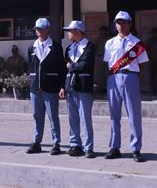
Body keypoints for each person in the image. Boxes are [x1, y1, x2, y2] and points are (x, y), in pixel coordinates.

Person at [103, 11, 149, 162]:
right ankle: (114, 147)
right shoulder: (109, 43)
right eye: (118, 22)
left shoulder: (137, 43)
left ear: (130, 24)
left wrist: (136, 79)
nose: (120, 25)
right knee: (114, 114)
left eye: (123, 22)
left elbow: (143, 66)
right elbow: (108, 64)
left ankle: (136, 148)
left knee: (134, 114)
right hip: (114, 77)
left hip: (130, 77)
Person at [26, 18, 66, 156]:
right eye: (37, 29)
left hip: (51, 87)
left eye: (41, 29)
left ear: (48, 29)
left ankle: (56, 143)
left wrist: (62, 86)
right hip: (35, 87)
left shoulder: (55, 47)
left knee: (52, 116)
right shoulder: (32, 47)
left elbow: (62, 68)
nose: (38, 31)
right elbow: (30, 66)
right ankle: (37, 142)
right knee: (37, 116)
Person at [59, 21, 96, 158]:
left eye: (70, 30)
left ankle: (88, 147)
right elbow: (65, 67)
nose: (68, 33)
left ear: (77, 32)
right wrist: (62, 86)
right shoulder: (69, 48)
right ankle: (75, 144)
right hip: (70, 85)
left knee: (85, 117)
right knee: (72, 117)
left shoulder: (90, 47)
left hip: (83, 85)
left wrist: (71, 65)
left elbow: (85, 65)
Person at [94, 26, 110, 92]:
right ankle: (99, 87)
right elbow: (95, 48)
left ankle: (107, 87)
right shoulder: (98, 39)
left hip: (107, 58)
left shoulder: (110, 39)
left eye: (103, 31)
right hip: (99, 57)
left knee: (107, 73)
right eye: (101, 31)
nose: (102, 32)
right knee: (99, 73)